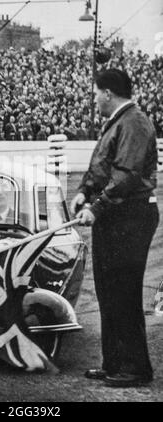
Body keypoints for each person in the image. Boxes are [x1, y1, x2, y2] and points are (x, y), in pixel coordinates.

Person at [70, 69, 159, 388]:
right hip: (116, 216)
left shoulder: (133, 122)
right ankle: (114, 363)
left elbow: (127, 175)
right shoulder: (120, 122)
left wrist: (96, 207)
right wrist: (84, 190)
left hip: (130, 216)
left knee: (123, 291)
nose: (94, 99)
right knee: (109, 292)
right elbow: (102, 165)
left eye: (96, 93)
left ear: (108, 93)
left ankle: (135, 368)